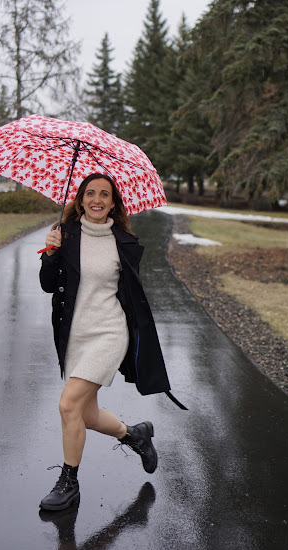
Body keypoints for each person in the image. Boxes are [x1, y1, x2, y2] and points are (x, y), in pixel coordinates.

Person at [39, 172, 184, 512]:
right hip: (75, 336)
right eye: (90, 193)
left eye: (105, 194)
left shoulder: (124, 242)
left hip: (109, 332)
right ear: (80, 200)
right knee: (87, 415)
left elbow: (133, 294)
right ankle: (135, 435)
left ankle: (69, 483)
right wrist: (51, 252)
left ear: (114, 203)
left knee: (68, 405)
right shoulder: (66, 233)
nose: (97, 200)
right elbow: (48, 284)